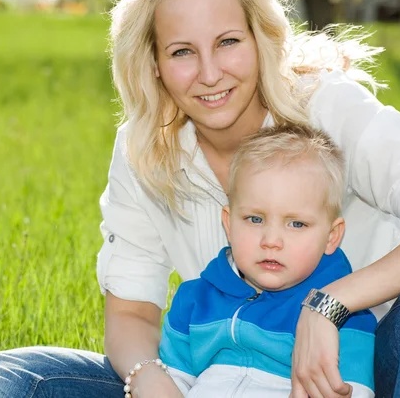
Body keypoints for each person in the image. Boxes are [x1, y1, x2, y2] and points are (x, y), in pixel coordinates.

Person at [0, 0, 400, 396]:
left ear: (258, 37)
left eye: (227, 42)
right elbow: (131, 316)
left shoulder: (328, 108)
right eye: (181, 52)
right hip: (216, 377)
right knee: (16, 376)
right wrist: (150, 379)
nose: (210, 73)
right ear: (152, 62)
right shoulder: (143, 149)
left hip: (364, 367)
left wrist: (331, 305)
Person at [158, 122, 377, 398]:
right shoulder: (195, 299)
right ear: (229, 223)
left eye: (296, 224)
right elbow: (170, 380)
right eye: (255, 219)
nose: (271, 240)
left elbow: (350, 391)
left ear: (331, 236)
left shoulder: (345, 317)